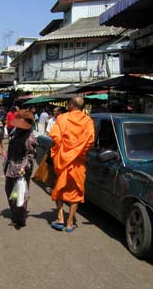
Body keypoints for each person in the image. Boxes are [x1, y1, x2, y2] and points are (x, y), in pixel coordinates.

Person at [49, 97, 95, 232]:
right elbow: (90, 142)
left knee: (59, 189)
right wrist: (78, 151)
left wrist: (64, 149)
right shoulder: (88, 121)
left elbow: (55, 136)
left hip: (63, 160)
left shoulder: (62, 118)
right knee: (76, 192)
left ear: (71, 105)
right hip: (78, 162)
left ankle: (60, 218)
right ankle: (69, 223)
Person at [3, 109, 36, 229]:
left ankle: (20, 219)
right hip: (10, 166)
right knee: (9, 191)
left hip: (21, 169)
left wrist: (24, 167)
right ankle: (15, 215)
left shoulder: (29, 137)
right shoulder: (16, 131)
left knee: (19, 195)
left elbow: (30, 155)